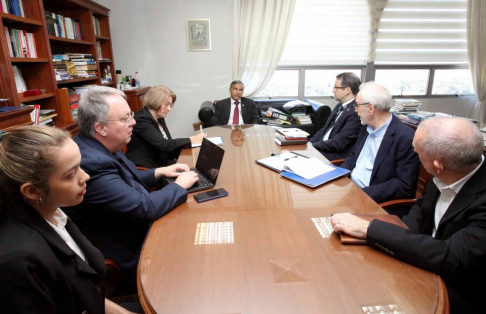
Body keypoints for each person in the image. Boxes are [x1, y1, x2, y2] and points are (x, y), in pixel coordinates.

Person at [331, 117, 486, 313]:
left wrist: (371, 230)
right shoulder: (450, 170)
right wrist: (396, 238)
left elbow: (451, 257)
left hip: (459, 289)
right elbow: (421, 208)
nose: (414, 154)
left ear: (438, 165)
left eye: (418, 153)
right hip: (424, 260)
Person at [63, 86, 199, 295]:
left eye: (131, 115)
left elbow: (126, 177)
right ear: (101, 128)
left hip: (130, 227)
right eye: (125, 118)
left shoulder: (100, 146)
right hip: (126, 249)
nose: (133, 122)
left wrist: (160, 171)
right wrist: (180, 185)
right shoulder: (93, 162)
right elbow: (143, 207)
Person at [0, 126, 136, 313]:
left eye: (80, 167)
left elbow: (85, 295)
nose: (85, 176)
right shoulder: (18, 261)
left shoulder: (53, 212)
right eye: (71, 174)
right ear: (32, 191)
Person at [340, 82, 420, 204]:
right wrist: (338, 177)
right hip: (349, 189)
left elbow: (403, 185)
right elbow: (352, 156)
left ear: (371, 108)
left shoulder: (405, 137)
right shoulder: (366, 126)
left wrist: (360, 194)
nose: (355, 109)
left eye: (357, 105)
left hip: (372, 200)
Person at [126, 86, 207, 168]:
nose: (169, 109)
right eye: (167, 104)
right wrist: (191, 140)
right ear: (156, 101)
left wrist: (190, 150)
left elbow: (169, 143)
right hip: (146, 167)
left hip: (161, 160)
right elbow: (163, 144)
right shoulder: (141, 119)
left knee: (196, 165)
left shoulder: (159, 117)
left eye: (170, 105)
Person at [309, 72, 362, 160]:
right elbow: (324, 129)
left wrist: (313, 147)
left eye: (336, 87)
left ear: (347, 90)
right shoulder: (339, 106)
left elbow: (339, 143)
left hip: (335, 155)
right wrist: (309, 144)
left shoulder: (356, 112)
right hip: (322, 148)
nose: (333, 90)